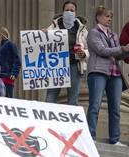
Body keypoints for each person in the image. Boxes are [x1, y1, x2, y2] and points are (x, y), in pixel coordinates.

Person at [87, 6, 129, 146]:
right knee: (95, 105)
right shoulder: (93, 33)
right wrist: (122, 48)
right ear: (98, 17)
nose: (109, 19)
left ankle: (115, 139)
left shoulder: (114, 35)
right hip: (98, 71)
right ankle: (90, 136)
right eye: (106, 16)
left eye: (110, 17)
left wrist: (126, 51)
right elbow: (101, 50)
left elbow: (118, 55)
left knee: (115, 108)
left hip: (115, 73)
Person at [45, 1, 89, 106]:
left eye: (72, 10)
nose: (69, 12)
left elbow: (88, 49)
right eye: (67, 10)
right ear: (63, 11)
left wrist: (84, 54)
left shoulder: (82, 29)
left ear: (75, 12)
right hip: (56, 66)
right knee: (50, 98)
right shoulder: (53, 27)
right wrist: (43, 34)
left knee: (73, 99)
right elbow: (44, 44)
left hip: (74, 65)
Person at [0, 26, 21, 98]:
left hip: (6, 78)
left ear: (0, 35)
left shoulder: (10, 45)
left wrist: (14, 73)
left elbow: (17, 60)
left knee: (7, 98)